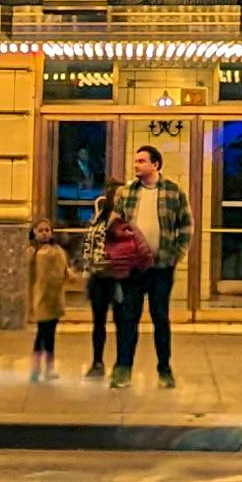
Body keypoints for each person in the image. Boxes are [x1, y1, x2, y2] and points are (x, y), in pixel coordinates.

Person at [107, 141, 193, 389]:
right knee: (128, 318)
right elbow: (116, 223)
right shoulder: (127, 192)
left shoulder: (174, 192)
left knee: (160, 317)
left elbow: (186, 225)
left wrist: (177, 253)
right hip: (134, 268)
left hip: (161, 267)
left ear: (155, 164)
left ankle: (164, 368)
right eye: (135, 161)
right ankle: (123, 368)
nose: (136, 164)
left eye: (141, 161)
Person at [76, 189, 118, 379]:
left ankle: (122, 364)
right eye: (117, 195)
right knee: (98, 322)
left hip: (118, 276)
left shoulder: (129, 218)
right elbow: (89, 244)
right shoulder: (100, 216)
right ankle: (97, 361)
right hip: (99, 276)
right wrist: (86, 270)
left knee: (123, 323)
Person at [26, 220, 70, 378]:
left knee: (48, 333)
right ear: (34, 233)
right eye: (40, 230)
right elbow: (30, 276)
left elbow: (64, 272)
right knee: (43, 333)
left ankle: (44, 367)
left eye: (47, 230)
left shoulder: (58, 251)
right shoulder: (32, 252)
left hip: (55, 299)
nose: (44, 233)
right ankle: (41, 367)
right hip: (41, 298)